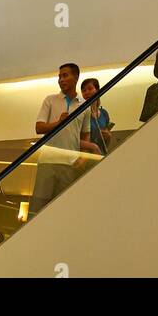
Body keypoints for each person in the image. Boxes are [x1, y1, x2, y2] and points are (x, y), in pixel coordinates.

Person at [32, 63, 98, 213]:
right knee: (38, 210)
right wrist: (58, 123)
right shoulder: (50, 100)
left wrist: (83, 157)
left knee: (62, 210)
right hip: (47, 161)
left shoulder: (84, 106)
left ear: (75, 77)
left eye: (65, 75)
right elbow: (39, 127)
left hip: (70, 164)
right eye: (59, 77)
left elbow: (85, 133)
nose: (61, 80)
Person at [80, 77, 113, 158]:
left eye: (90, 89)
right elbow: (74, 139)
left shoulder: (104, 113)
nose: (87, 92)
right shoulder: (81, 114)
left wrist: (108, 137)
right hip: (85, 157)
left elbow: (105, 143)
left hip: (101, 155)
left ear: (98, 90)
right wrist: (93, 147)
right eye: (84, 91)